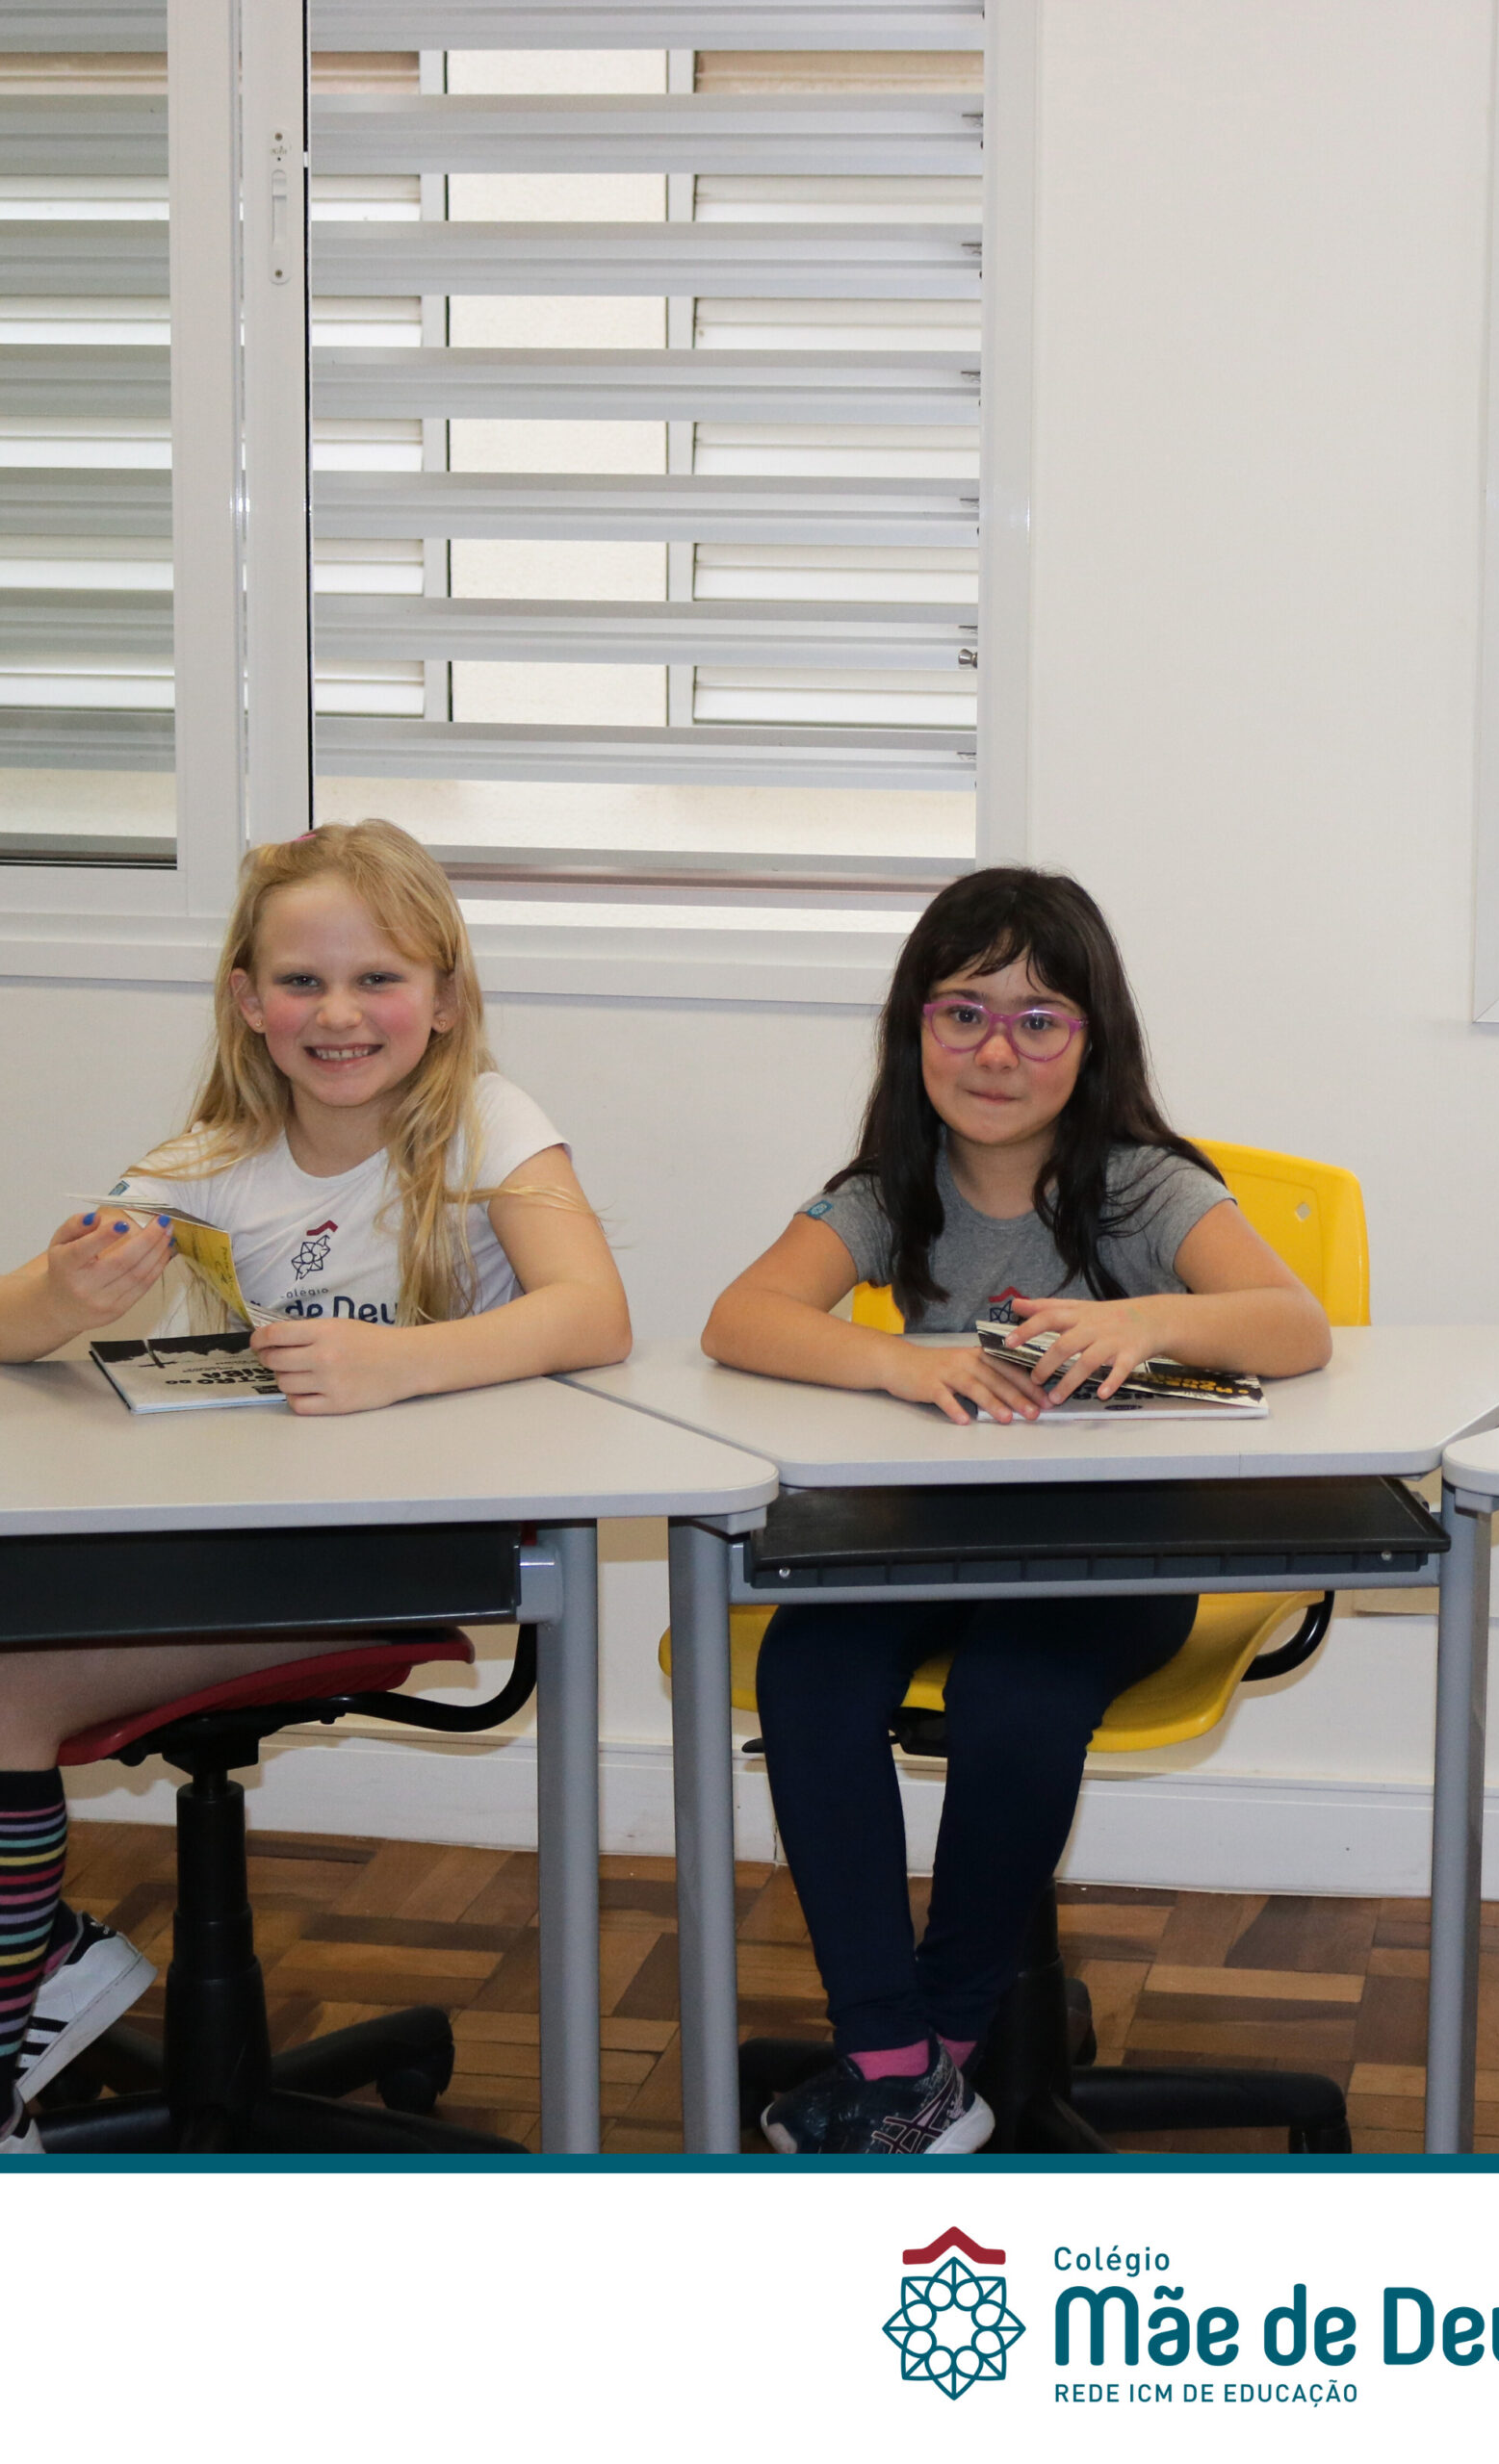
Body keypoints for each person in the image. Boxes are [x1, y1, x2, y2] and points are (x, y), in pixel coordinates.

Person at [0, 820, 631, 2154]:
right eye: (302, 982)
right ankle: (38, 1953)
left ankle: (19, 2016)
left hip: (411, 1558)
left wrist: (401, 1363)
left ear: (443, 997)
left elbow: (595, 1315)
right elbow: (14, 1323)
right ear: (248, 1001)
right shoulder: (216, 1154)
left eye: (377, 978)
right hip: (248, 1549)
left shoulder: (489, 1126)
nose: (338, 1014)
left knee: (4, 1693)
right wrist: (63, 1290)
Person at [703, 865, 1331, 2154]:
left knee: (1015, 1692)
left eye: (1039, 1020)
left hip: (1116, 1556)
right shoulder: (892, 1187)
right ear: (914, 1029)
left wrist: (1144, 1320)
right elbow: (739, 1318)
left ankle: (939, 2050)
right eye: (964, 1014)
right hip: (932, 1537)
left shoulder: (1144, 1187)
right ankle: (891, 2056)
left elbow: (1297, 1327)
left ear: (1093, 1042)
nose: (998, 1052)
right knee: (809, 1671)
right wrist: (896, 1361)